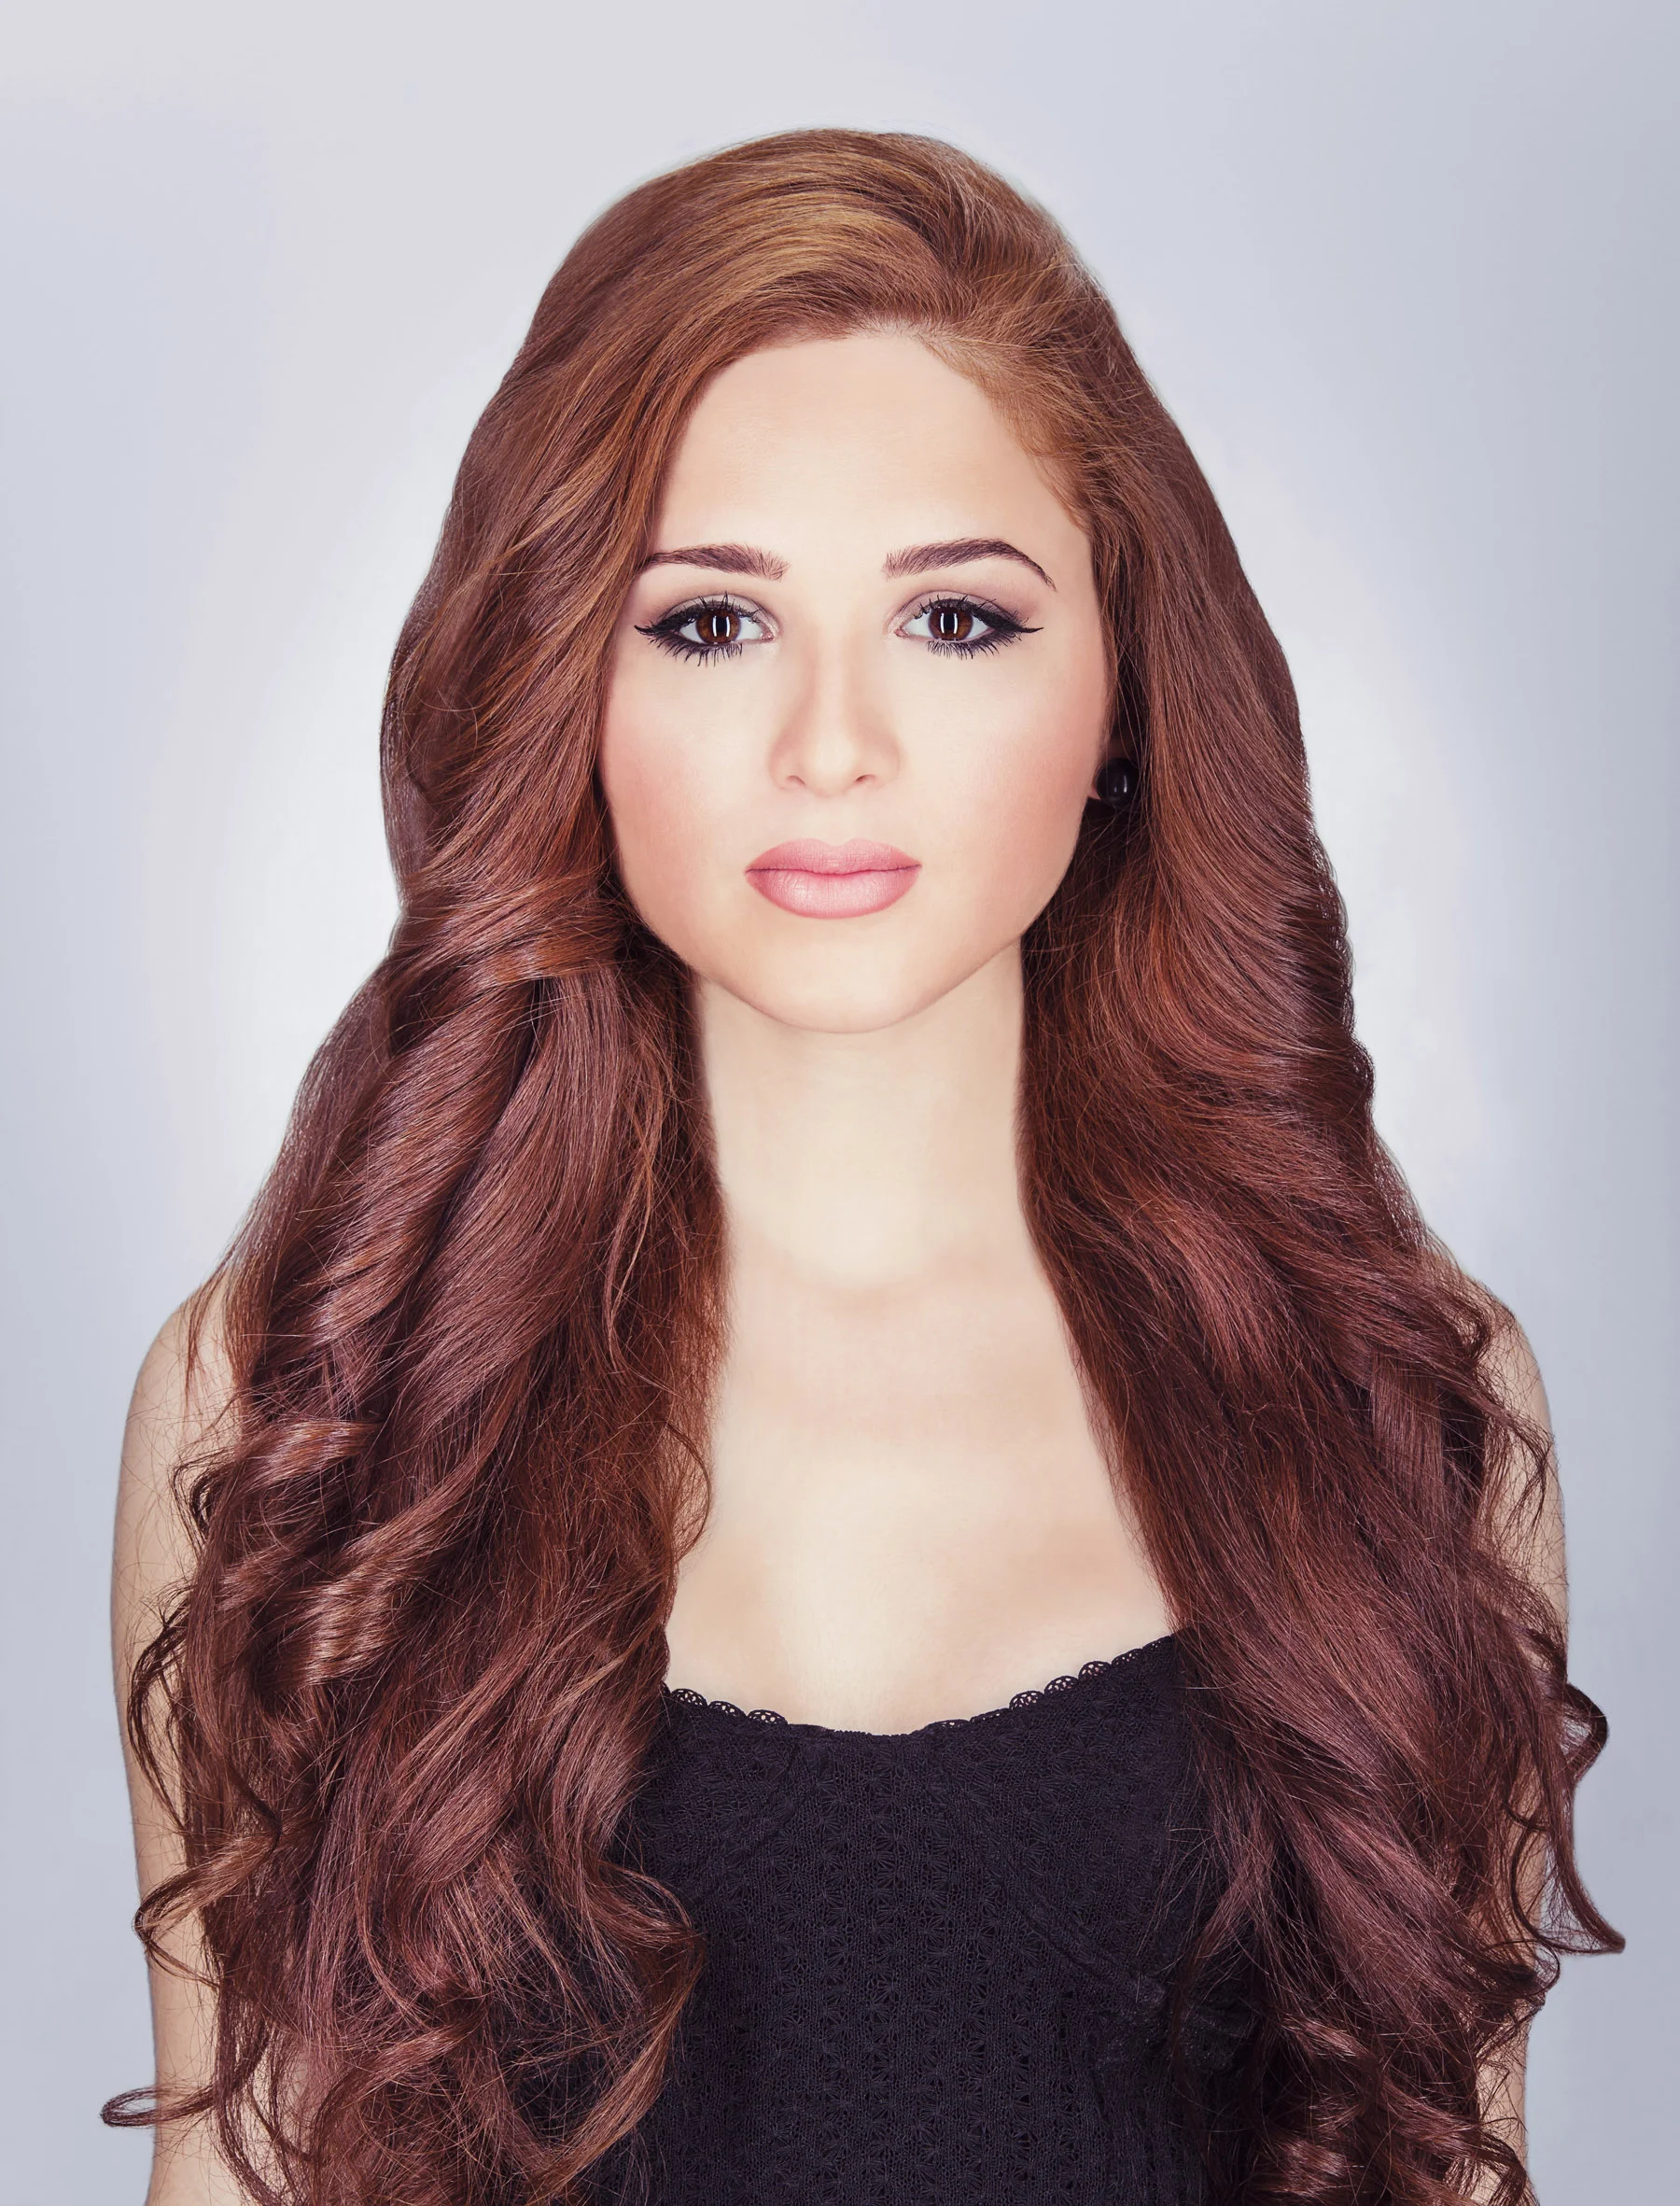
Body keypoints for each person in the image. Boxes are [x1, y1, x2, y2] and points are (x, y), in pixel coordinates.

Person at [108, 129, 1619, 2206]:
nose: (832, 742)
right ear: (565, 682)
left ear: (1123, 692)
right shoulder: (298, 1407)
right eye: (714, 621)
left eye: (957, 619)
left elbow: (1452, 2158)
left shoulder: (1392, 1391)